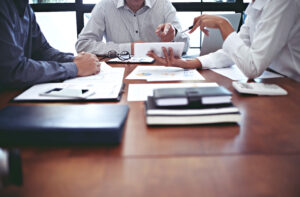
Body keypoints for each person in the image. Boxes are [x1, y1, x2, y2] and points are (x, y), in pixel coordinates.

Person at [147, 0, 300, 82]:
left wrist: (223, 24)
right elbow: (235, 50)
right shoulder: (257, 4)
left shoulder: (282, 2)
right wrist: (189, 63)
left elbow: (252, 67)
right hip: (274, 85)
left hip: (292, 90)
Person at [0, 0, 100, 89]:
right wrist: (75, 68)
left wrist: (74, 60)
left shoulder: (25, 8)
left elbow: (42, 51)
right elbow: (13, 70)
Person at [75, 0, 190, 55]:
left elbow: (185, 46)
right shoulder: (105, 5)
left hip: (159, 70)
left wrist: (174, 34)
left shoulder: (163, 4)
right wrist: (129, 49)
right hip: (117, 74)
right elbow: (82, 45)